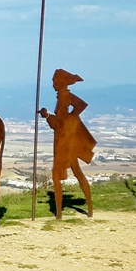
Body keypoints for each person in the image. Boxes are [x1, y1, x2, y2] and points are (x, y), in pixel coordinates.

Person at [39, 69, 97, 218]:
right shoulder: (62, 97)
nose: (53, 84)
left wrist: (68, 120)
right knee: (76, 173)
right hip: (63, 140)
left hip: (64, 142)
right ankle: (86, 209)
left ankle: (59, 213)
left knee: (59, 175)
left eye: (54, 81)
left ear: (61, 82)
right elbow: (61, 121)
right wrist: (50, 117)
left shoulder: (66, 96)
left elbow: (80, 107)